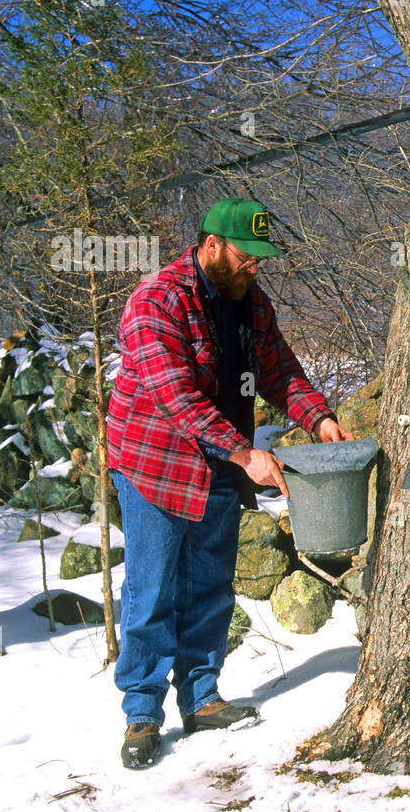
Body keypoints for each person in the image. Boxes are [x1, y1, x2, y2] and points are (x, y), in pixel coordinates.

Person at [106, 197, 352, 769]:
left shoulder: (250, 300)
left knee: (211, 587)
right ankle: (141, 713)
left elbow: (279, 369)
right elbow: (177, 399)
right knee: (151, 589)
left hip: (219, 464)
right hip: (154, 465)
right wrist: (246, 453)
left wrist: (317, 416)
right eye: (247, 256)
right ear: (211, 244)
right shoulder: (156, 302)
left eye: (261, 259)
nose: (254, 268)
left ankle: (201, 695)